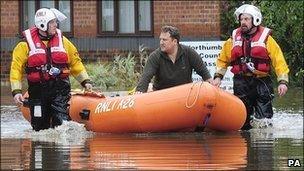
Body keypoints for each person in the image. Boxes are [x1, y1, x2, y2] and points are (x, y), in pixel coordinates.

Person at [10, 8, 93, 131]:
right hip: (38, 90)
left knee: (61, 123)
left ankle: (62, 146)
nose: (56, 25)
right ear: (43, 24)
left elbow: (75, 63)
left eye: (55, 22)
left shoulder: (63, 41)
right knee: (39, 127)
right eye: (52, 22)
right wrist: (16, 91)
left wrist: (86, 81)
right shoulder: (24, 45)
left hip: (60, 89)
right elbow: (16, 69)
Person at [212, 4, 289, 130]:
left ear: (255, 20)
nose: (243, 22)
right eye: (241, 19)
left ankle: (263, 146)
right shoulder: (233, 39)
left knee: (264, 122)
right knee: (243, 121)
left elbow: (279, 61)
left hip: (261, 83)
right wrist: (218, 77)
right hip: (241, 83)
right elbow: (222, 60)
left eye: (246, 19)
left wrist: (283, 82)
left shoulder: (267, 40)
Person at [136, 25, 212, 93]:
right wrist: (140, 91)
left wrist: (211, 84)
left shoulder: (189, 53)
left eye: (164, 40)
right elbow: (146, 76)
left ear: (174, 41)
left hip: (186, 95)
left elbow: (203, 71)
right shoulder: (155, 56)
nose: (161, 42)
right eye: (160, 39)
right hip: (161, 95)